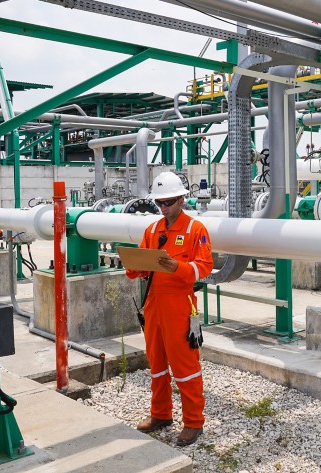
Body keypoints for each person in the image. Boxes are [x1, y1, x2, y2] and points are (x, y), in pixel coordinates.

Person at [126, 171, 213, 447]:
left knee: (185, 367)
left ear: (182, 201)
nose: (164, 207)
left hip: (179, 306)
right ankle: (161, 414)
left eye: (169, 202)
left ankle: (194, 422)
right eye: (160, 203)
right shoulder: (152, 231)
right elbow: (139, 267)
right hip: (153, 305)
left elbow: (205, 267)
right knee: (157, 364)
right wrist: (134, 265)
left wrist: (180, 268)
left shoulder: (195, 230)